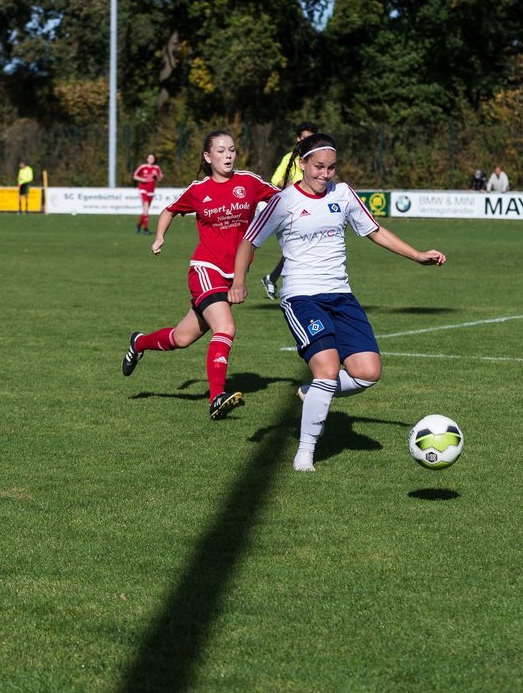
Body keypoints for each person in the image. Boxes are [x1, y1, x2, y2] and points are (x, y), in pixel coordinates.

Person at [232, 133, 446, 472]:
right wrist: (239, 281)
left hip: (341, 295)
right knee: (328, 370)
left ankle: (313, 391)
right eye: (318, 167)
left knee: (367, 373)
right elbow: (249, 241)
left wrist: (416, 255)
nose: (325, 174)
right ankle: (305, 453)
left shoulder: (343, 194)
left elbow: (375, 230)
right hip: (301, 295)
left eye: (331, 168)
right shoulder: (283, 201)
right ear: (301, 164)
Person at [121, 132, 278, 419]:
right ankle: (217, 397)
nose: (228, 155)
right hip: (206, 269)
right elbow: (169, 211)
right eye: (221, 150)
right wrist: (159, 237)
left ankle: (138, 342)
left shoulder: (250, 182)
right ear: (208, 157)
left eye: (231, 149)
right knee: (226, 328)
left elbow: (284, 199)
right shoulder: (198, 189)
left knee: (181, 338)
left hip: (233, 274)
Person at [259, 121, 317, 299]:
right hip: (291, 209)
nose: (307, 141)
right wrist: (291, 185)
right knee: (299, 249)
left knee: (305, 248)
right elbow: (276, 180)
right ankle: (293, 288)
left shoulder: (317, 159)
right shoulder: (289, 158)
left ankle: (272, 278)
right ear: (298, 138)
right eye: (304, 138)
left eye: (311, 138)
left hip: (311, 208)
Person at [133, 152, 164, 234]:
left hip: (151, 191)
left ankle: (139, 225)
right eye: (149, 158)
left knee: (145, 211)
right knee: (146, 207)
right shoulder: (143, 167)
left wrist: (156, 175)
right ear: (147, 159)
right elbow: (135, 176)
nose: (151, 159)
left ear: (154, 159)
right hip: (143, 189)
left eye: (152, 158)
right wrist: (141, 179)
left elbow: (160, 178)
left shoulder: (156, 168)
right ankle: (145, 229)